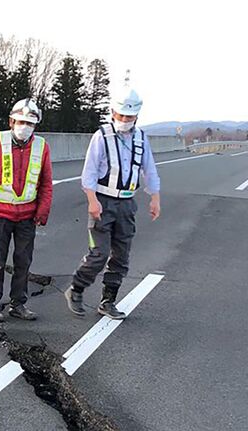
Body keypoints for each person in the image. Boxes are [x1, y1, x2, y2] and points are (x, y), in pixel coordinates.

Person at [64, 86, 161, 320]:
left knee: (121, 255)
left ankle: (108, 301)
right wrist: (92, 201)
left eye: (130, 116)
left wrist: (155, 197)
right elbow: (88, 173)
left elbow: (149, 169)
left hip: (127, 203)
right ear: (113, 112)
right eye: (122, 115)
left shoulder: (141, 138)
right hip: (103, 202)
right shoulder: (102, 136)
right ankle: (76, 289)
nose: (125, 120)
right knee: (99, 253)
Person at [0, 99, 53, 322]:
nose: (24, 126)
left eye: (30, 123)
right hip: (1, 215)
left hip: (27, 217)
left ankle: (18, 304)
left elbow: (46, 183)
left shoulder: (41, 147)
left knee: (23, 262)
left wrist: (42, 212)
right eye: (20, 121)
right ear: (11, 121)